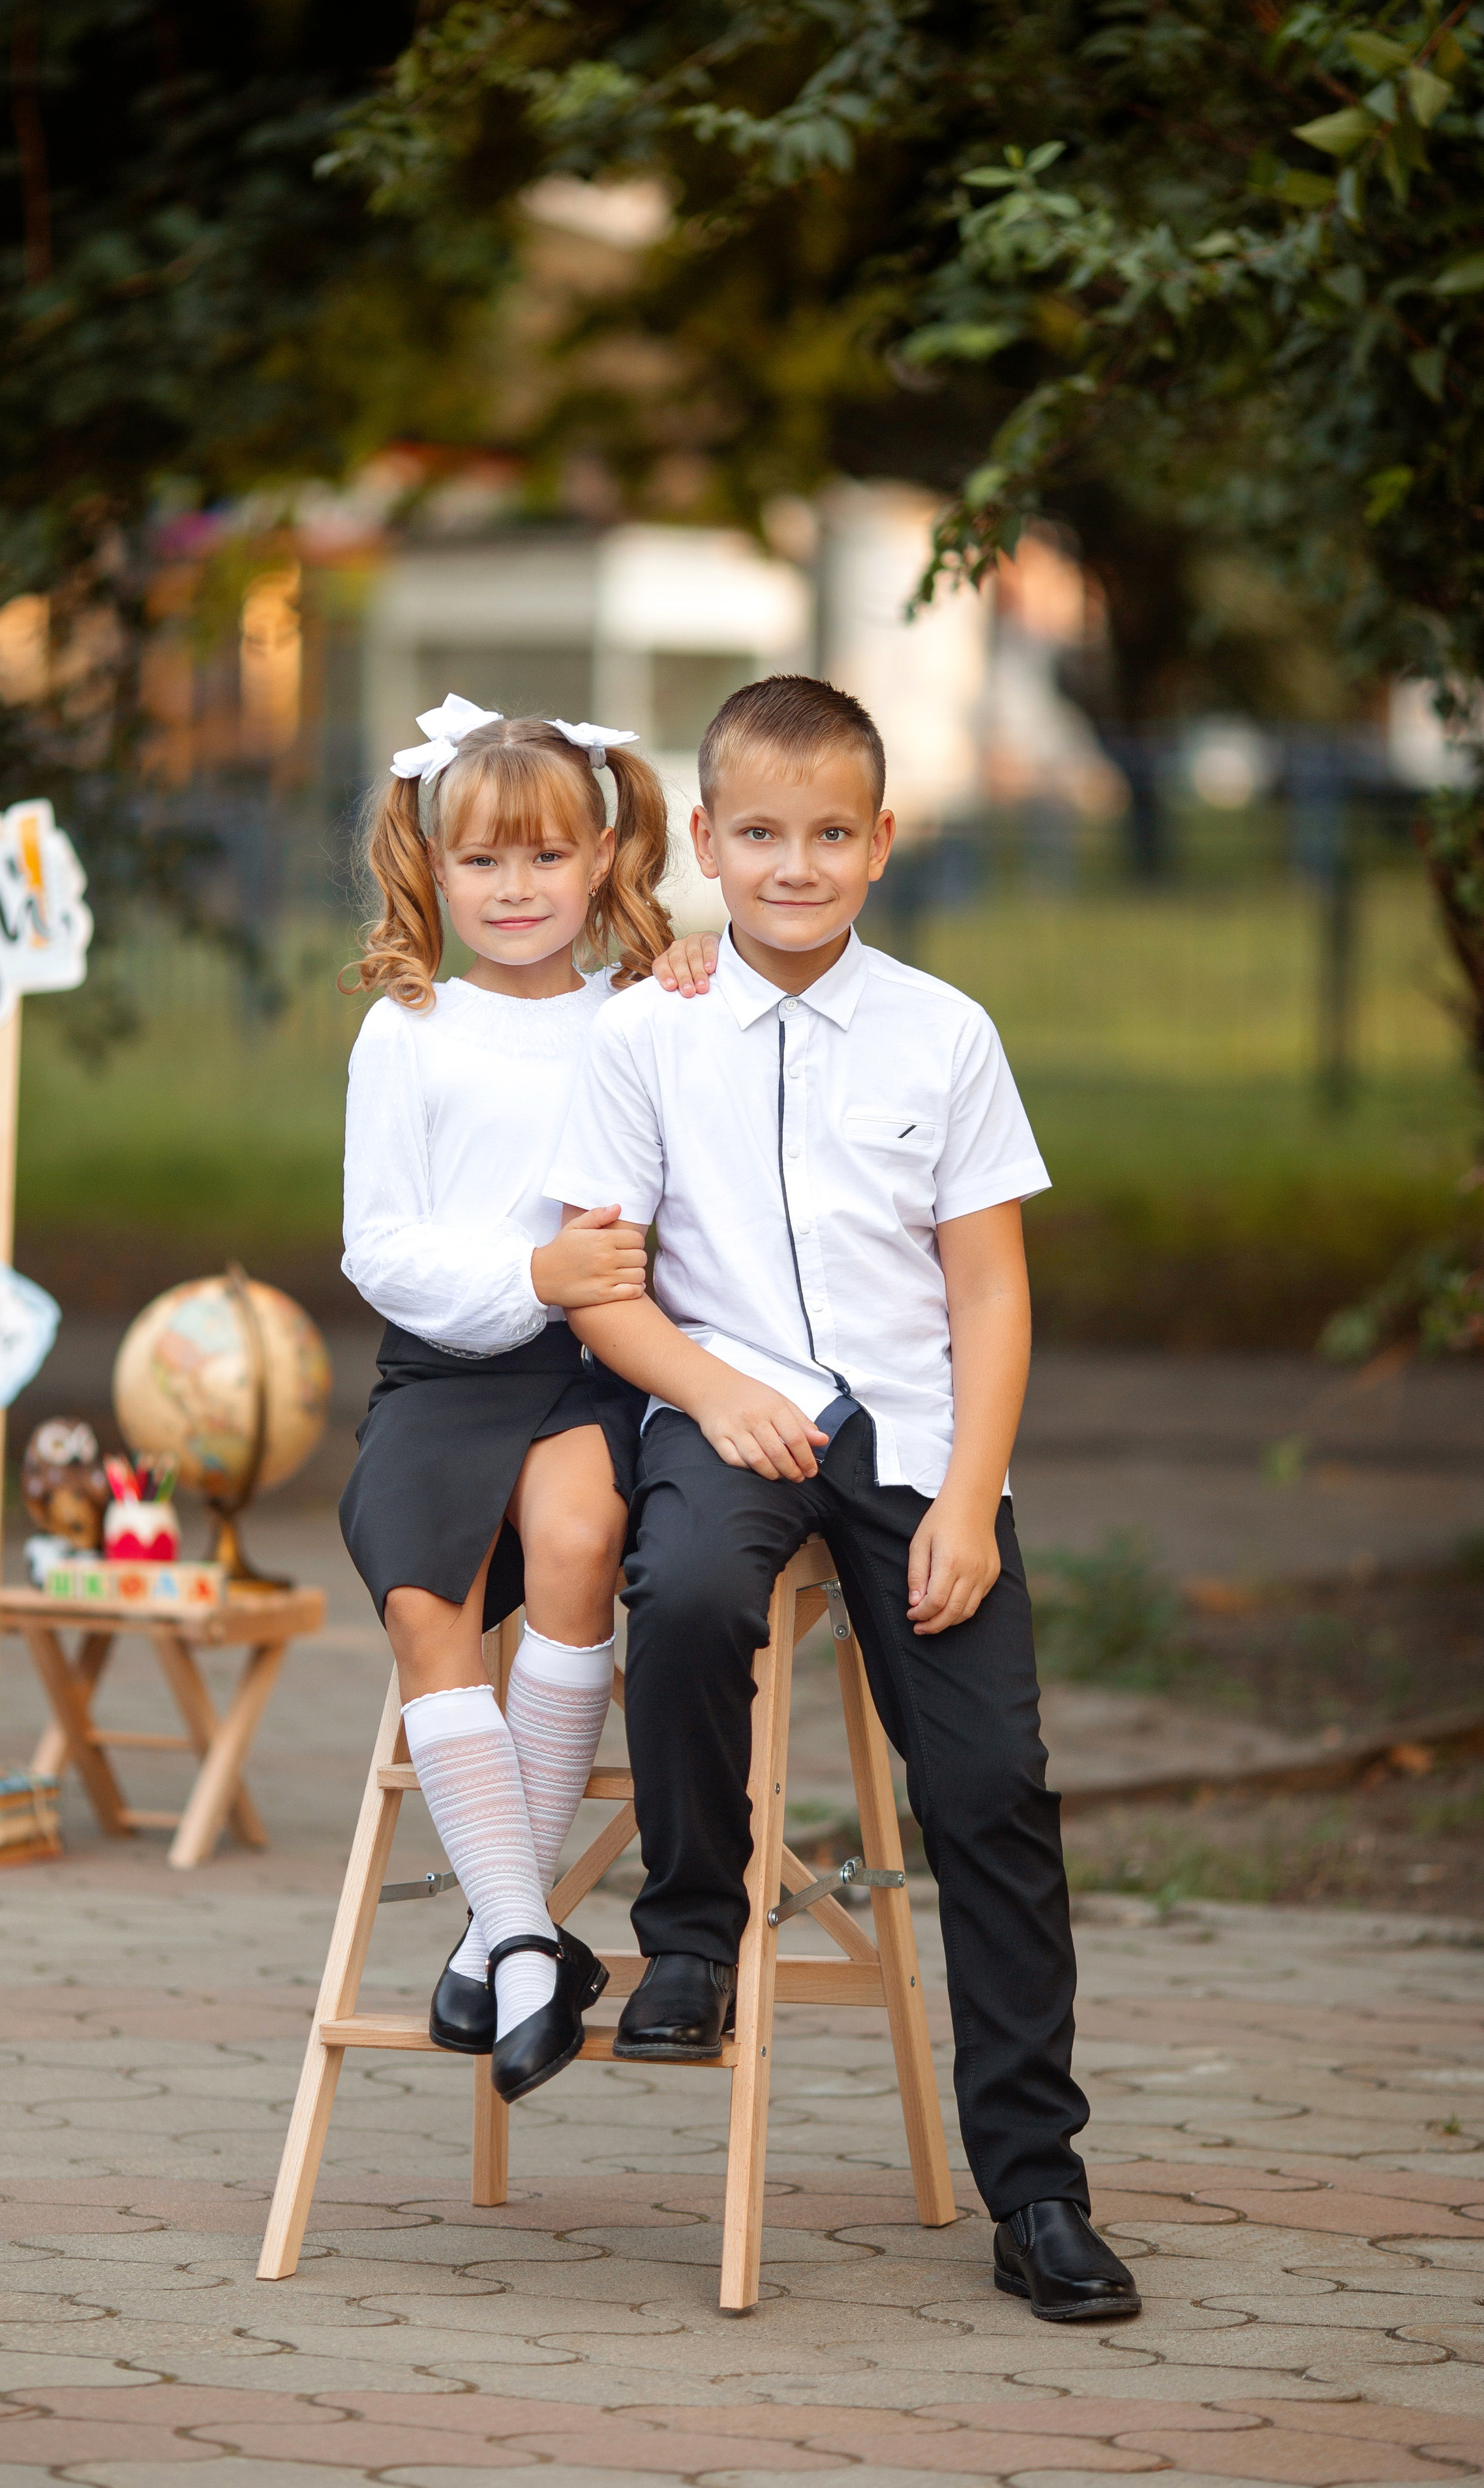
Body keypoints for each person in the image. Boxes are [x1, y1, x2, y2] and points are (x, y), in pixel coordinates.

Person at [545, 675, 1142, 2323]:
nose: (792, 864)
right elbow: (600, 1282)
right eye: (757, 833)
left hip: (917, 1443)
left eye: (826, 833)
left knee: (992, 1788)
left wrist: (965, 1496)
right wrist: (711, 1390)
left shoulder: (942, 1032)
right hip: (719, 1403)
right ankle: (685, 1933)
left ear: (880, 842)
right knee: (682, 1594)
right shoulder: (645, 1025)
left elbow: (991, 1298)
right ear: (706, 845)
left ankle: (1035, 2187)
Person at [339, 694, 672, 2105]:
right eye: (483, 862)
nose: (515, 888)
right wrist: (532, 1268)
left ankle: (494, 1931)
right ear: (433, 864)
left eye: (545, 857)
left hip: (593, 1371)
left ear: (603, 857)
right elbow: (381, 1246)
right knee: (428, 1605)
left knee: (579, 1542)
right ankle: (531, 1938)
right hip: (443, 1366)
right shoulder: (408, 1031)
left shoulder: (649, 1016)